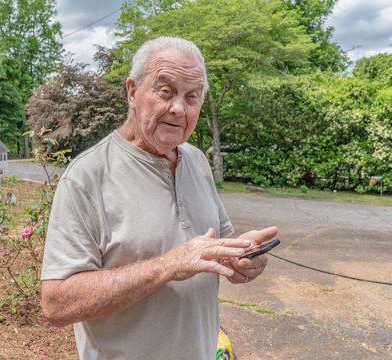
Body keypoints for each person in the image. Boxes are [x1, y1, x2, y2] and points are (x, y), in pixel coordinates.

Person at [40, 36, 278, 359]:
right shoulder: (86, 178)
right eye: (165, 91)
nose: (179, 108)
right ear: (133, 92)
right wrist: (168, 266)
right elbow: (56, 302)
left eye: (192, 97)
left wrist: (240, 255)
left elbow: (217, 245)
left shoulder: (197, 161)